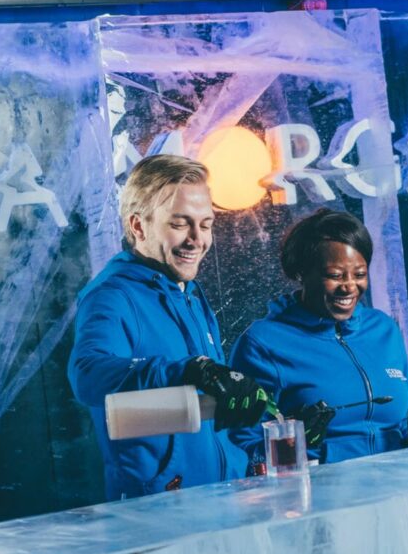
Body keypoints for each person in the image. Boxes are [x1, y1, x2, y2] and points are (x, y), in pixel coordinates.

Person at [68, 155, 268, 500]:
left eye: (205, 225)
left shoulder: (187, 292)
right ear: (138, 226)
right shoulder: (113, 296)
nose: (197, 240)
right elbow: (87, 374)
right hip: (162, 508)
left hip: (222, 498)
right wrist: (187, 370)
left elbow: (207, 410)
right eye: (180, 224)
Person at [229, 209, 408, 468]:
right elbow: (242, 449)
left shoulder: (384, 329)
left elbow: (402, 421)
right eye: (335, 275)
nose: (349, 287)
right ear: (301, 273)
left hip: (400, 484)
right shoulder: (262, 343)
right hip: (323, 490)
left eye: (359, 274)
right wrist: (297, 444)